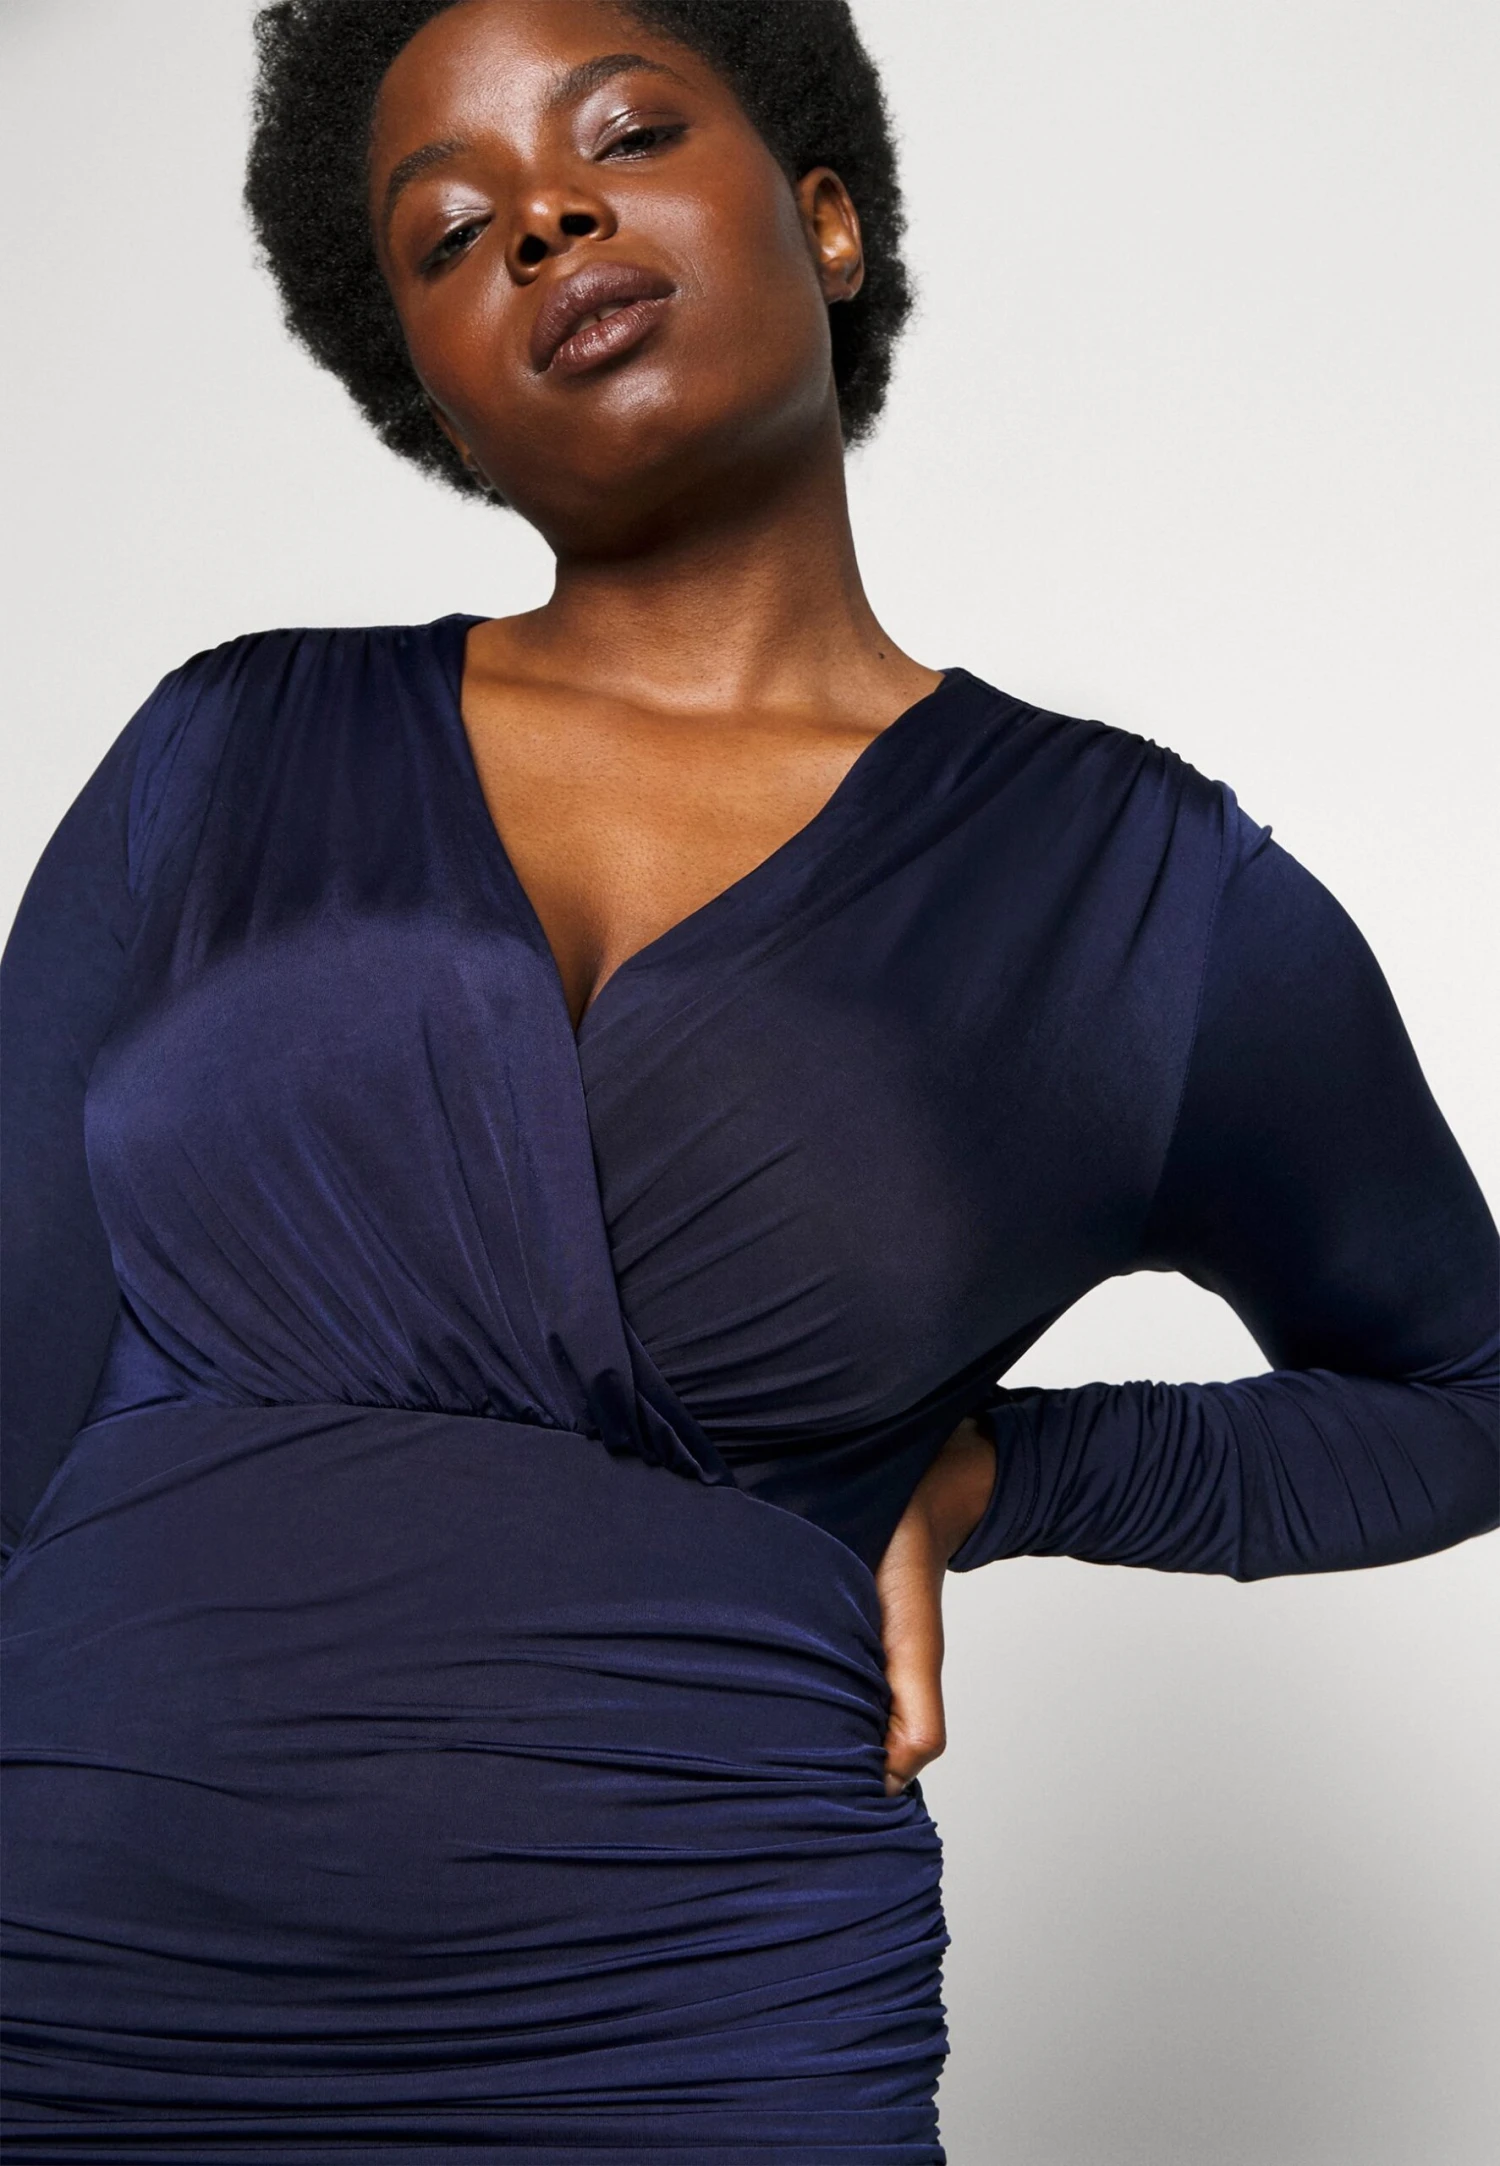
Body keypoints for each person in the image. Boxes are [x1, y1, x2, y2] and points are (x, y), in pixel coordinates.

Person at [1, 0, 1494, 2157]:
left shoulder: (1135, 890)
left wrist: (1004, 1477)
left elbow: (1465, 1391)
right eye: (450, 234)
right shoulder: (221, 754)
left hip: (699, 2024)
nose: (544, 221)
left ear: (828, 221)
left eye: (620, 136)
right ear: (423, 382)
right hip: (76, 1996)